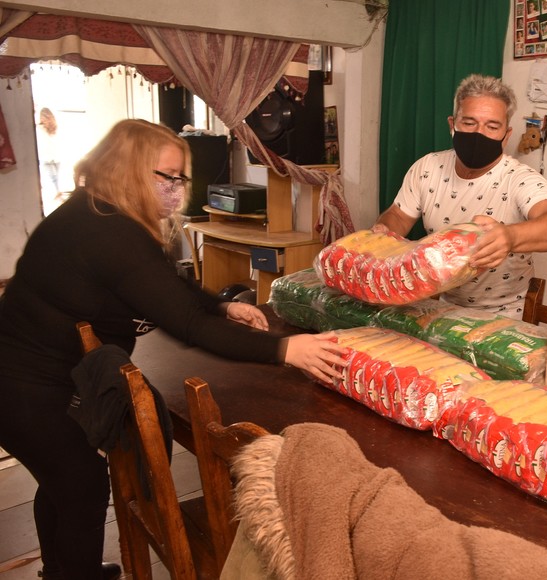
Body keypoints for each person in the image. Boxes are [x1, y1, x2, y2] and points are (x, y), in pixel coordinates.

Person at [0, 119, 347, 579]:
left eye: (182, 177)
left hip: (39, 375)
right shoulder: (109, 234)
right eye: (169, 176)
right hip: (21, 383)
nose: (179, 188)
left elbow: (165, 287)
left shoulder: (101, 212)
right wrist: (286, 349)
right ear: (129, 170)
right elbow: (187, 324)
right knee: (79, 482)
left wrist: (221, 306)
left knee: (62, 480)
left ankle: (60, 570)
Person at [374, 74, 547, 318]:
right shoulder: (427, 167)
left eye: (492, 127)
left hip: (504, 314)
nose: (479, 133)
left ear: (507, 135)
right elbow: (398, 215)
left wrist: (510, 237)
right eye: (469, 123)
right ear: (452, 125)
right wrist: (384, 232)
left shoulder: (519, 179)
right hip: (441, 306)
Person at [35, 107, 63, 214]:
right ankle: (57, 193)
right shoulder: (45, 128)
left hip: (52, 156)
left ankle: (58, 193)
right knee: (53, 177)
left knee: (55, 177)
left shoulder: (49, 128)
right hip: (50, 157)